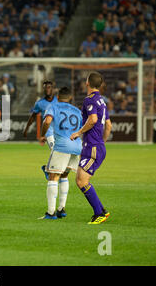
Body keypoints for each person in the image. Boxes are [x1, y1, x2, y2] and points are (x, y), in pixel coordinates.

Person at [70, 71, 112, 224]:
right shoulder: (102, 101)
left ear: (87, 82)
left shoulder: (89, 100)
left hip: (92, 146)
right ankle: (102, 211)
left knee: (81, 181)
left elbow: (93, 120)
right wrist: (102, 142)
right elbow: (108, 125)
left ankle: (99, 213)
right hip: (97, 146)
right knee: (81, 180)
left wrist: (78, 133)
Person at [38, 87, 82, 219]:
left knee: (53, 177)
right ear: (70, 98)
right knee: (64, 176)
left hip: (62, 146)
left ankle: (50, 213)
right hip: (77, 146)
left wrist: (42, 133)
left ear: (58, 97)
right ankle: (61, 209)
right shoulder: (78, 111)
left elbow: (47, 121)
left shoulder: (54, 107)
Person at [23, 80, 58, 178]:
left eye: (49, 87)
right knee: (54, 150)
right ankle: (51, 171)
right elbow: (33, 117)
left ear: (53, 89)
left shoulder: (58, 100)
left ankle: (48, 168)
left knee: (59, 151)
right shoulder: (39, 103)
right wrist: (26, 129)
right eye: (45, 88)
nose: (47, 89)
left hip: (58, 131)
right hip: (48, 131)